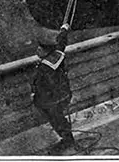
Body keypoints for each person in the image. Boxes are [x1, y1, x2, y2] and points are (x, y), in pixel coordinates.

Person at [31, 23, 75, 152]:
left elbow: (43, 87)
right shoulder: (56, 55)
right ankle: (68, 137)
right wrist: (64, 29)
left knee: (57, 120)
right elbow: (61, 42)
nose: (37, 50)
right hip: (64, 95)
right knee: (60, 118)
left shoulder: (44, 68)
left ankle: (67, 141)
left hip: (53, 101)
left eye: (40, 49)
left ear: (45, 51)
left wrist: (36, 98)